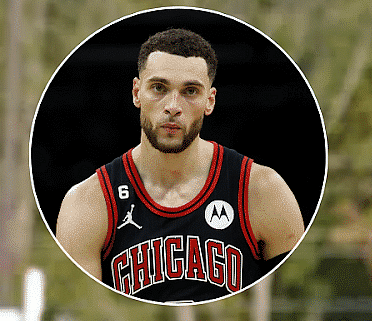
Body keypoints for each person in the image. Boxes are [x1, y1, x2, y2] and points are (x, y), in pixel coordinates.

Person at [54, 27, 305, 303]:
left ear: (209, 101)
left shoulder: (261, 190)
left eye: (190, 91)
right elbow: (83, 320)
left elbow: (292, 311)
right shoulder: (90, 203)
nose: (173, 106)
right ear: (137, 92)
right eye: (159, 88)